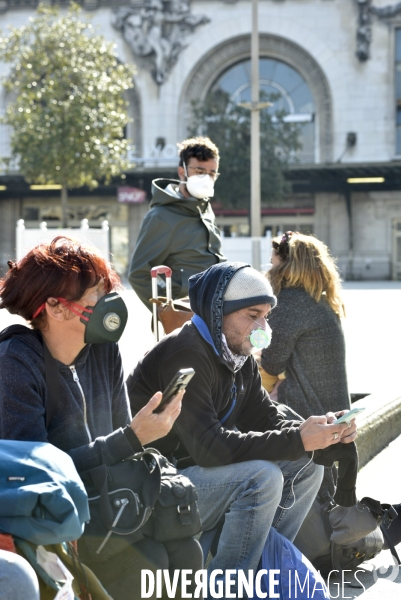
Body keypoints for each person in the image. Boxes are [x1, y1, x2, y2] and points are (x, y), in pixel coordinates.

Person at [127, 261, 358, 596]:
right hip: (157, 488)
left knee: (307, 462)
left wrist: (319, 432)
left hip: (195, 478)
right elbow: (210, 447)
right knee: (261, 477)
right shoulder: (185, 354)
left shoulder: (238, 356)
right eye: (252, 315)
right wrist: (297, 438)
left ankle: (266, 567)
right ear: (218, 311)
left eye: (265, 315)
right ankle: (227, 590)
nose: (262, 326)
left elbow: (264, 417)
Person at [0, 236, 202, 600]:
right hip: (62, 519)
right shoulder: (16, 362)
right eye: (96, 294)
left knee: (186, 551)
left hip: (115, 505)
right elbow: (38, 477)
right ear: (54, 307)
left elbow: (122, 446)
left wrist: (142, 436)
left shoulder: (104, 352)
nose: (110, 303)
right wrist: (132, 437)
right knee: (145, 566)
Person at [260, 231, 351, 419]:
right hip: (335, 417)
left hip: (307, 418)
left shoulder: (290, 303)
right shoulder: (322, 301)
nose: (268, 271)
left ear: (286, 267)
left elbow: (271, 363)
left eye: (272, 263)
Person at [128, 136, 226, 310]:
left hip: (213, 311)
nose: (207, 178)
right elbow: (139, 274)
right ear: (182, 172)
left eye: (212, 173)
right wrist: (167, 310)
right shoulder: (160, 216)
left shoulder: (205, 209)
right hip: (182, 320)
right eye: (200, 171)